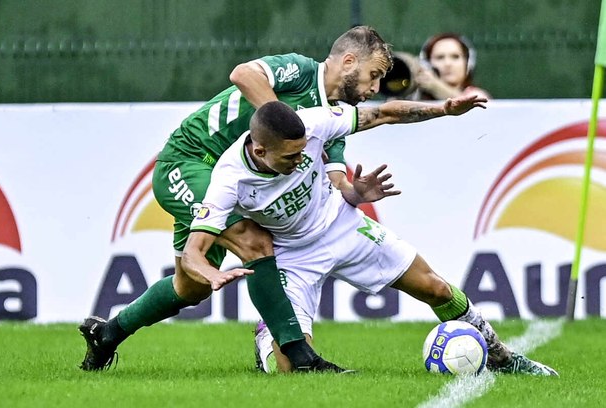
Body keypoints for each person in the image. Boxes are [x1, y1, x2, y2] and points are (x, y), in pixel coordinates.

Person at [79, 25, 395, 373]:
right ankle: (301, 357)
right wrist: (283, 123)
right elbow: (243, 74)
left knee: (191, 286)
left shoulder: (331, 113)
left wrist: (354, 192)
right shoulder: (302, 72)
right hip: (192, 160)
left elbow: (336, 179)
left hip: (233, 180)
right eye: (373, 76)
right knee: (253, 242)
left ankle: (108, 334)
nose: (375, 88)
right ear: (349, 62)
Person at [182, 99, 558, 377]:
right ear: (260, 150)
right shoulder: (228, 179)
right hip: (292, 257)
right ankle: (268, 335)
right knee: (290, 369)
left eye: (303, 154)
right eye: (289, 158)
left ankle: (503, 357)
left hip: (342, 225)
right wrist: (211, 275)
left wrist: (443, 108)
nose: (300, 162)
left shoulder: (315, 124)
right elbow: (192, 253)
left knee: (437, 288)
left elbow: (382, 113)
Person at [414, 33, 491, 100]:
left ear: (468, 63)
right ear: (426, 64)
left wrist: (436, 86)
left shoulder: (478, 96)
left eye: (455, 57)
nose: (448, 63)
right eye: (440, 57)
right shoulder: (416, 98)